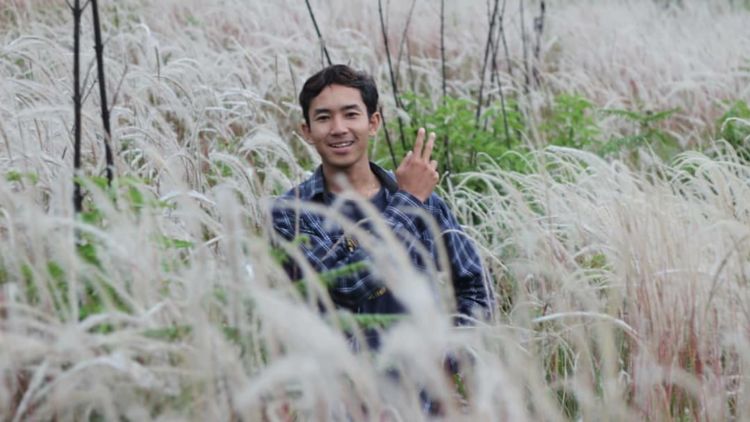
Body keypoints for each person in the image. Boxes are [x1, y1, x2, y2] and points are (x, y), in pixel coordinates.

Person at [270, 64, 492, 343]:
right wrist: (407, 204)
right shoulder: (292, 213)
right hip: (339, 383)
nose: (339, 129)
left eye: (351, 115)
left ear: (373, 123)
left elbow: (476, 286)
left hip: (425, 382)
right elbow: (343, 285)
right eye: (324, 117)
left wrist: (452, 358)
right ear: (307, 130)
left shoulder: (425, 201)